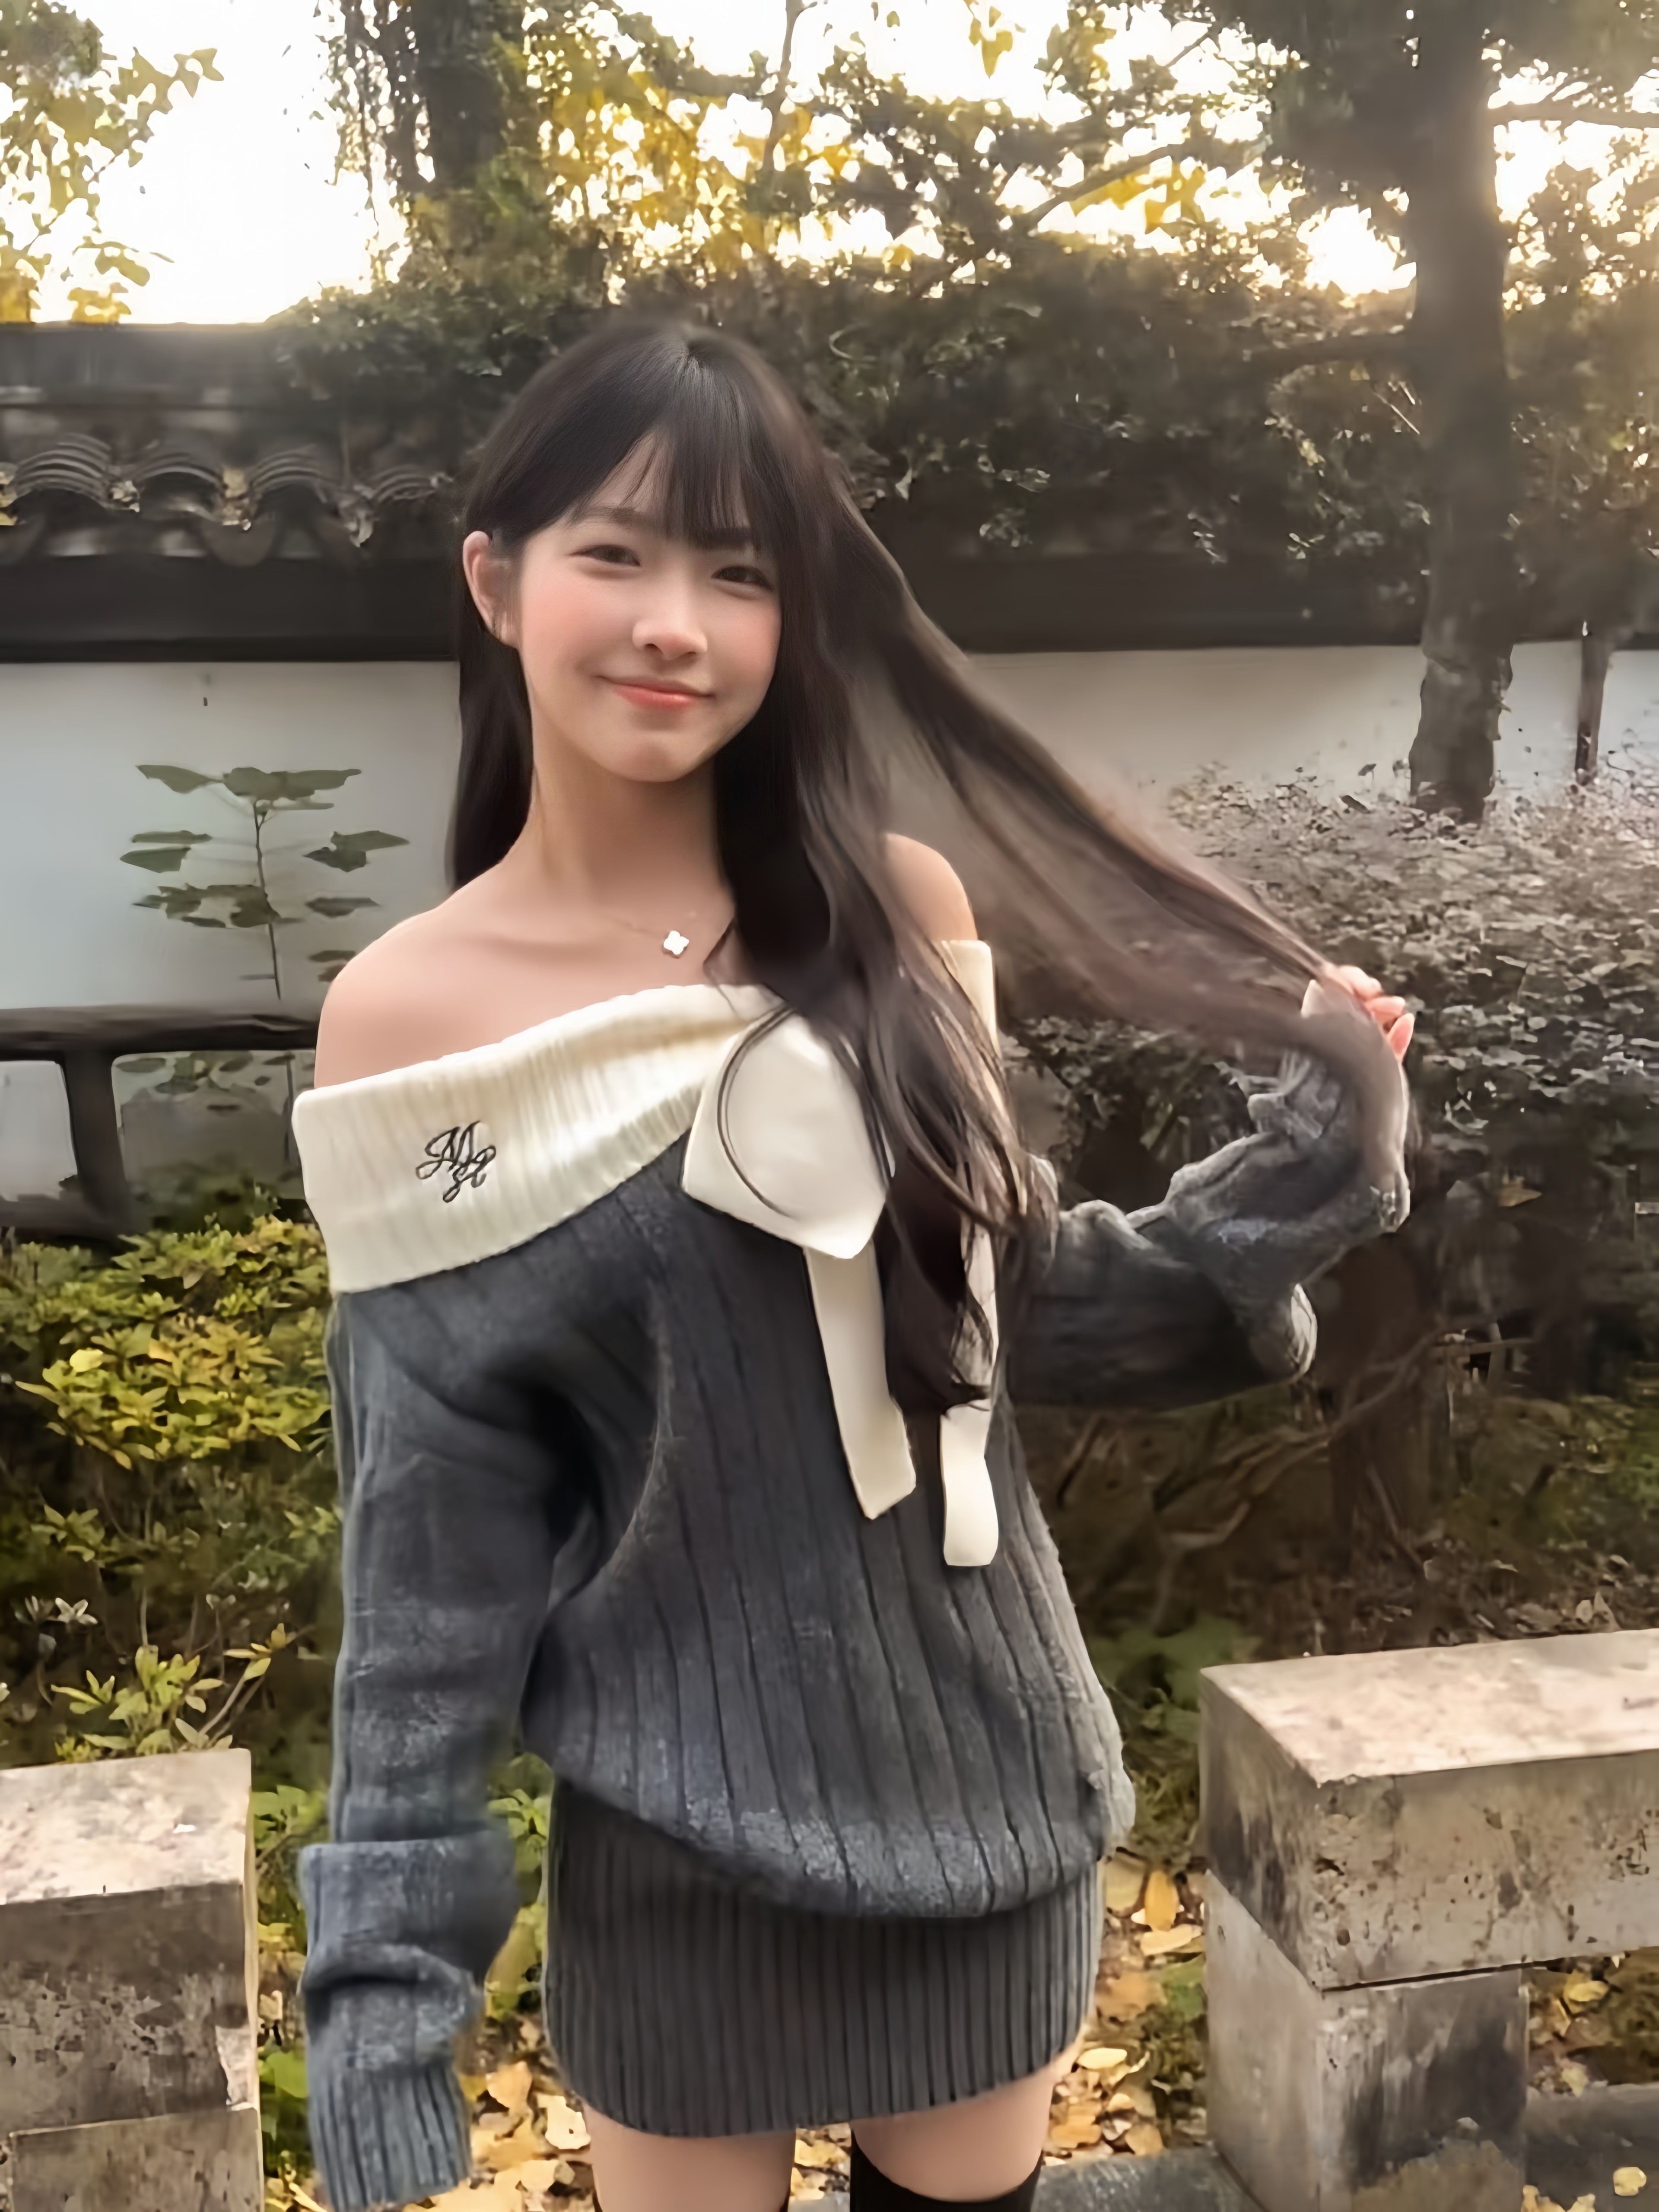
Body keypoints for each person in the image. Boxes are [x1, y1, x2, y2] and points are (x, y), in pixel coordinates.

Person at [291, 312, 1415, 2212]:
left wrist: (1309, 1159)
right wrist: (385, 2021)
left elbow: (1006, 1311)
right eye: (617, 553)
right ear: (496, 582)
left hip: (986, 1806)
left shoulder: (897, 909)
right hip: (671, 1861)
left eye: (741, 574)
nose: (677, 625)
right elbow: (430, 1562)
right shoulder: (410, 1020)